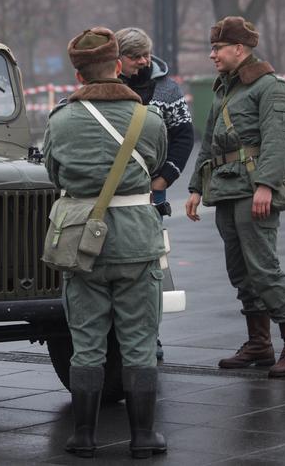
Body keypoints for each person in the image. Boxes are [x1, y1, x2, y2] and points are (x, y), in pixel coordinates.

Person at [44, 27, 168, 458]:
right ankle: (143, 437)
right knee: (140, 342)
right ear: (118, 66)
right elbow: (155, 163)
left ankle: (83, 436)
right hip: (136, 241)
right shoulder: (148, 120)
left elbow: (54, 174)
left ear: (78, 75)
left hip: (82, 243)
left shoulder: (59, 121)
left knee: (86, 344)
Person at [185, 16, 285, 378]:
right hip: (226, 189)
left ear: (239, 49)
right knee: (240, 271)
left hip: (253, 190)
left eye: (218, 48)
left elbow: (279, 141)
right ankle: (259, 343)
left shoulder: (270, 87)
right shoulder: (226, 89)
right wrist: (196, 187)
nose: (212, 55)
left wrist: (266, 185)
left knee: (263, 268)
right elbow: (209, 142)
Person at [116, 27, 195, 360]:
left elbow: (184, 136)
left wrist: (164, 179)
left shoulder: (167, 89)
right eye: (135, 56)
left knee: (149, 268)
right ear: (118, 58)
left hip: (152, 194)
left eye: (146, 55)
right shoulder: (104, 87)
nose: (143, 61)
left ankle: (150, 337)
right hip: (112, 194)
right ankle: (114, 338)